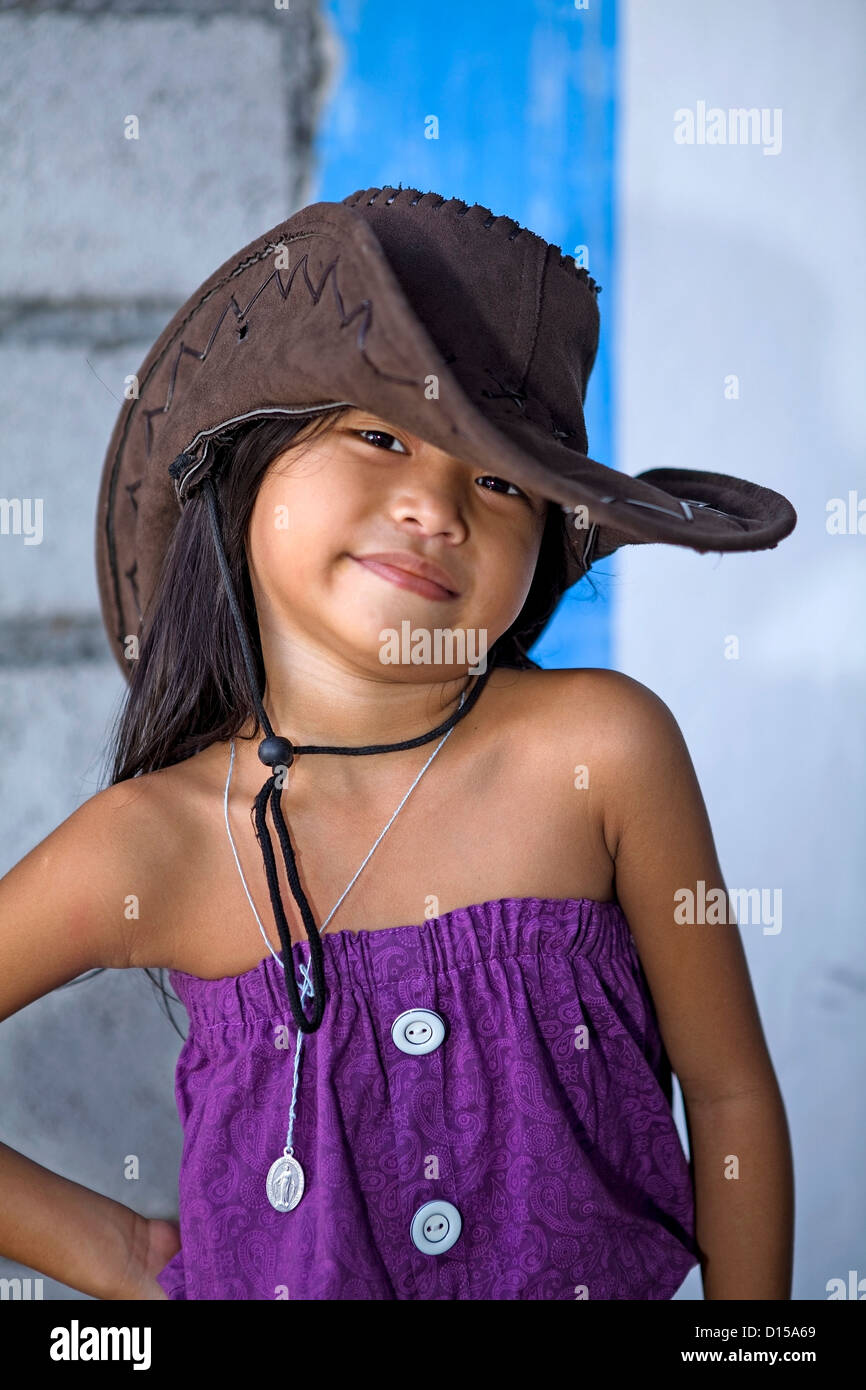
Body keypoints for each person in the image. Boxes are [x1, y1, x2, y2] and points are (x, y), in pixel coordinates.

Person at [0, 185, 795, 1300]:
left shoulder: (601, 754)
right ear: (244, 471)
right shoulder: (156, 846)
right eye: (378, 435)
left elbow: (726, 1098)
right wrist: (123, 1255)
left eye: (500, 479)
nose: (434, 506)